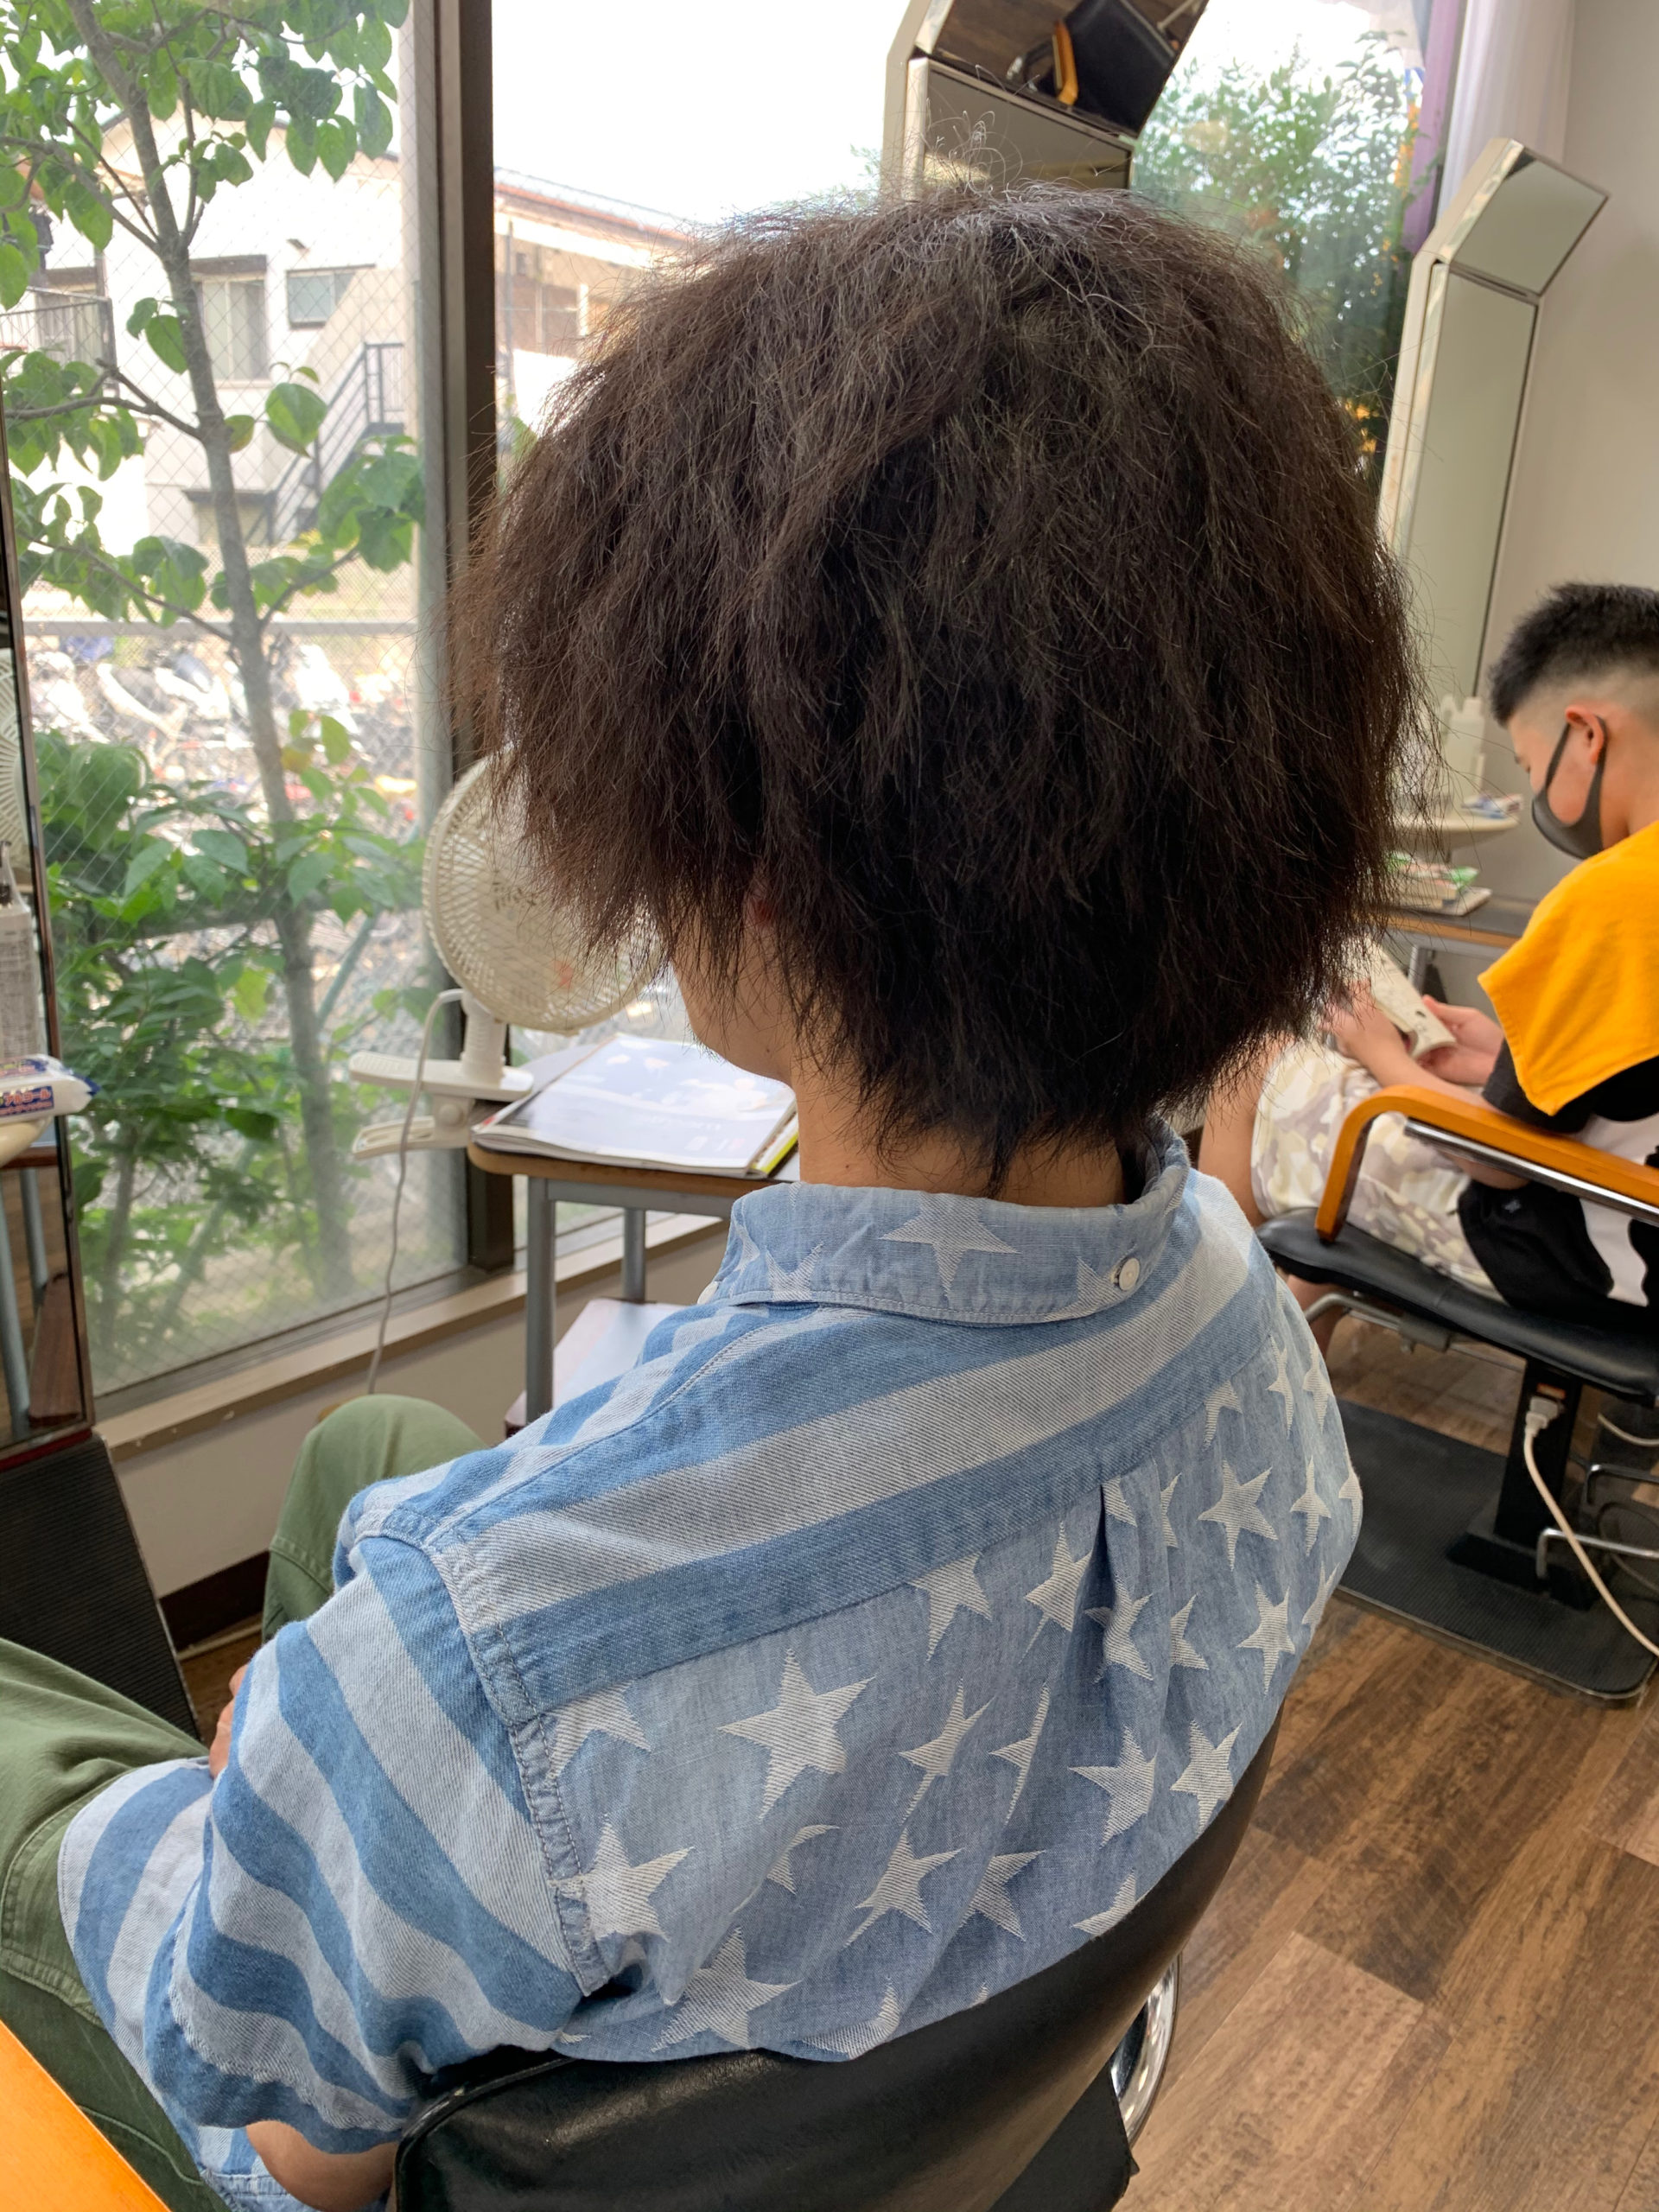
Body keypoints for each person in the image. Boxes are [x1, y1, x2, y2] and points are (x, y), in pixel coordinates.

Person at [0, 187, 1413, 2212]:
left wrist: (312, 1803)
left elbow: (288, 2122)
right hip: (980, 2070)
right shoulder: (1251, 1327)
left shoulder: (483, 1658)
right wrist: (370, 1762)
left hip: (296, 2114)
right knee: (374, 1449)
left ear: (755, 877)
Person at [1202, 581, 1659, 1332]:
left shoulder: (1616, 895)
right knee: (1330, 1209)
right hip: (1627, 1227)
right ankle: (1283, 1345)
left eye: (1531, 766)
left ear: (1586, 735)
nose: (1539, 795)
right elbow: (1629, 1094)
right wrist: (1498, 1059)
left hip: (1569, 1248)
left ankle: (1207, 1338)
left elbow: (1497, 1163)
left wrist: (1384, 1056)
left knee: (1248, 1066)